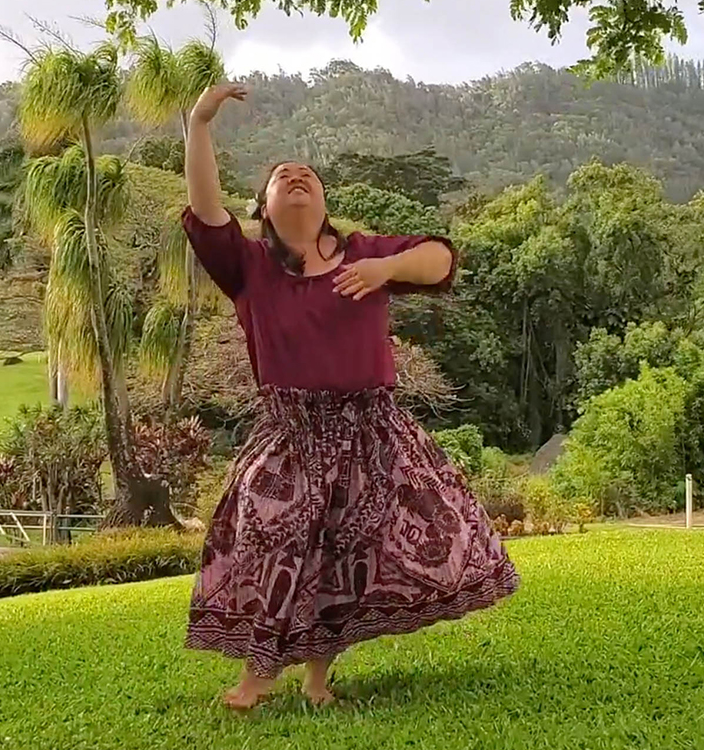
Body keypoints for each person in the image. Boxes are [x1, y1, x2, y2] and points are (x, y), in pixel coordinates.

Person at [181, 83, 519, 710]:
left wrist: (385, 270)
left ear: (326, 200)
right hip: (290, 431)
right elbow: (204, 208)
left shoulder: (363, 254)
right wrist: (201, 121)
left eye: (308, 173)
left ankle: (316, 679)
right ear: (262, 207)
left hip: (371, 427)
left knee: (344, 555)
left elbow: (439, 259)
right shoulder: (248, 266)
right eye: (283, 177)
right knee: (270, 532)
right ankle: (258, 675)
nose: (297, 177)